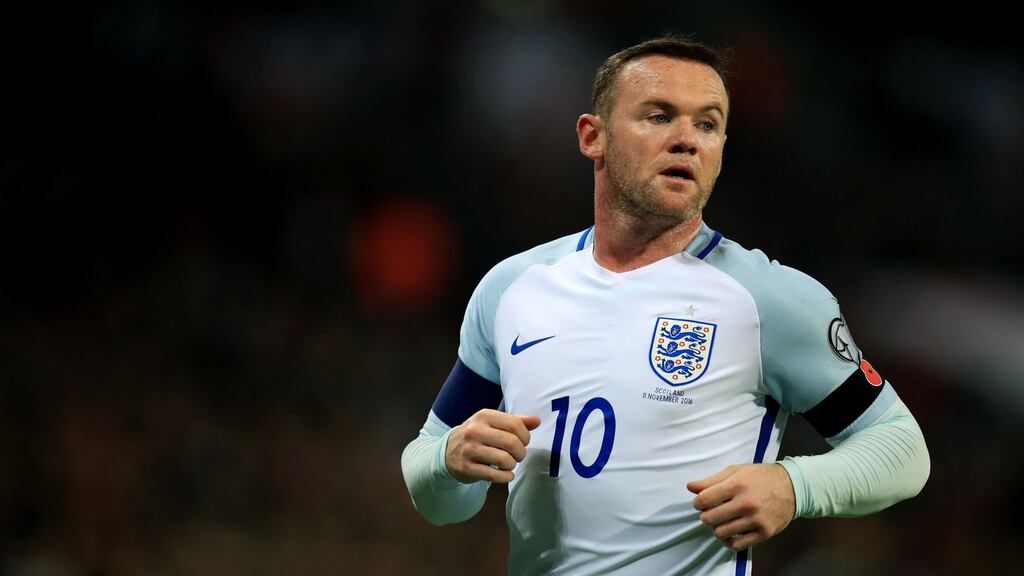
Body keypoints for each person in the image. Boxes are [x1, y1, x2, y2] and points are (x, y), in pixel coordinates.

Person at [401, 35, 930, 575]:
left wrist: (794, 486)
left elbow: (903, 450)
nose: (687, 140)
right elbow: (439, 497)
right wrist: (449, 462)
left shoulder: (768, 299)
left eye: (707, 124)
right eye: (658, 116)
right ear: (593, 136)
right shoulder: (512, 287)